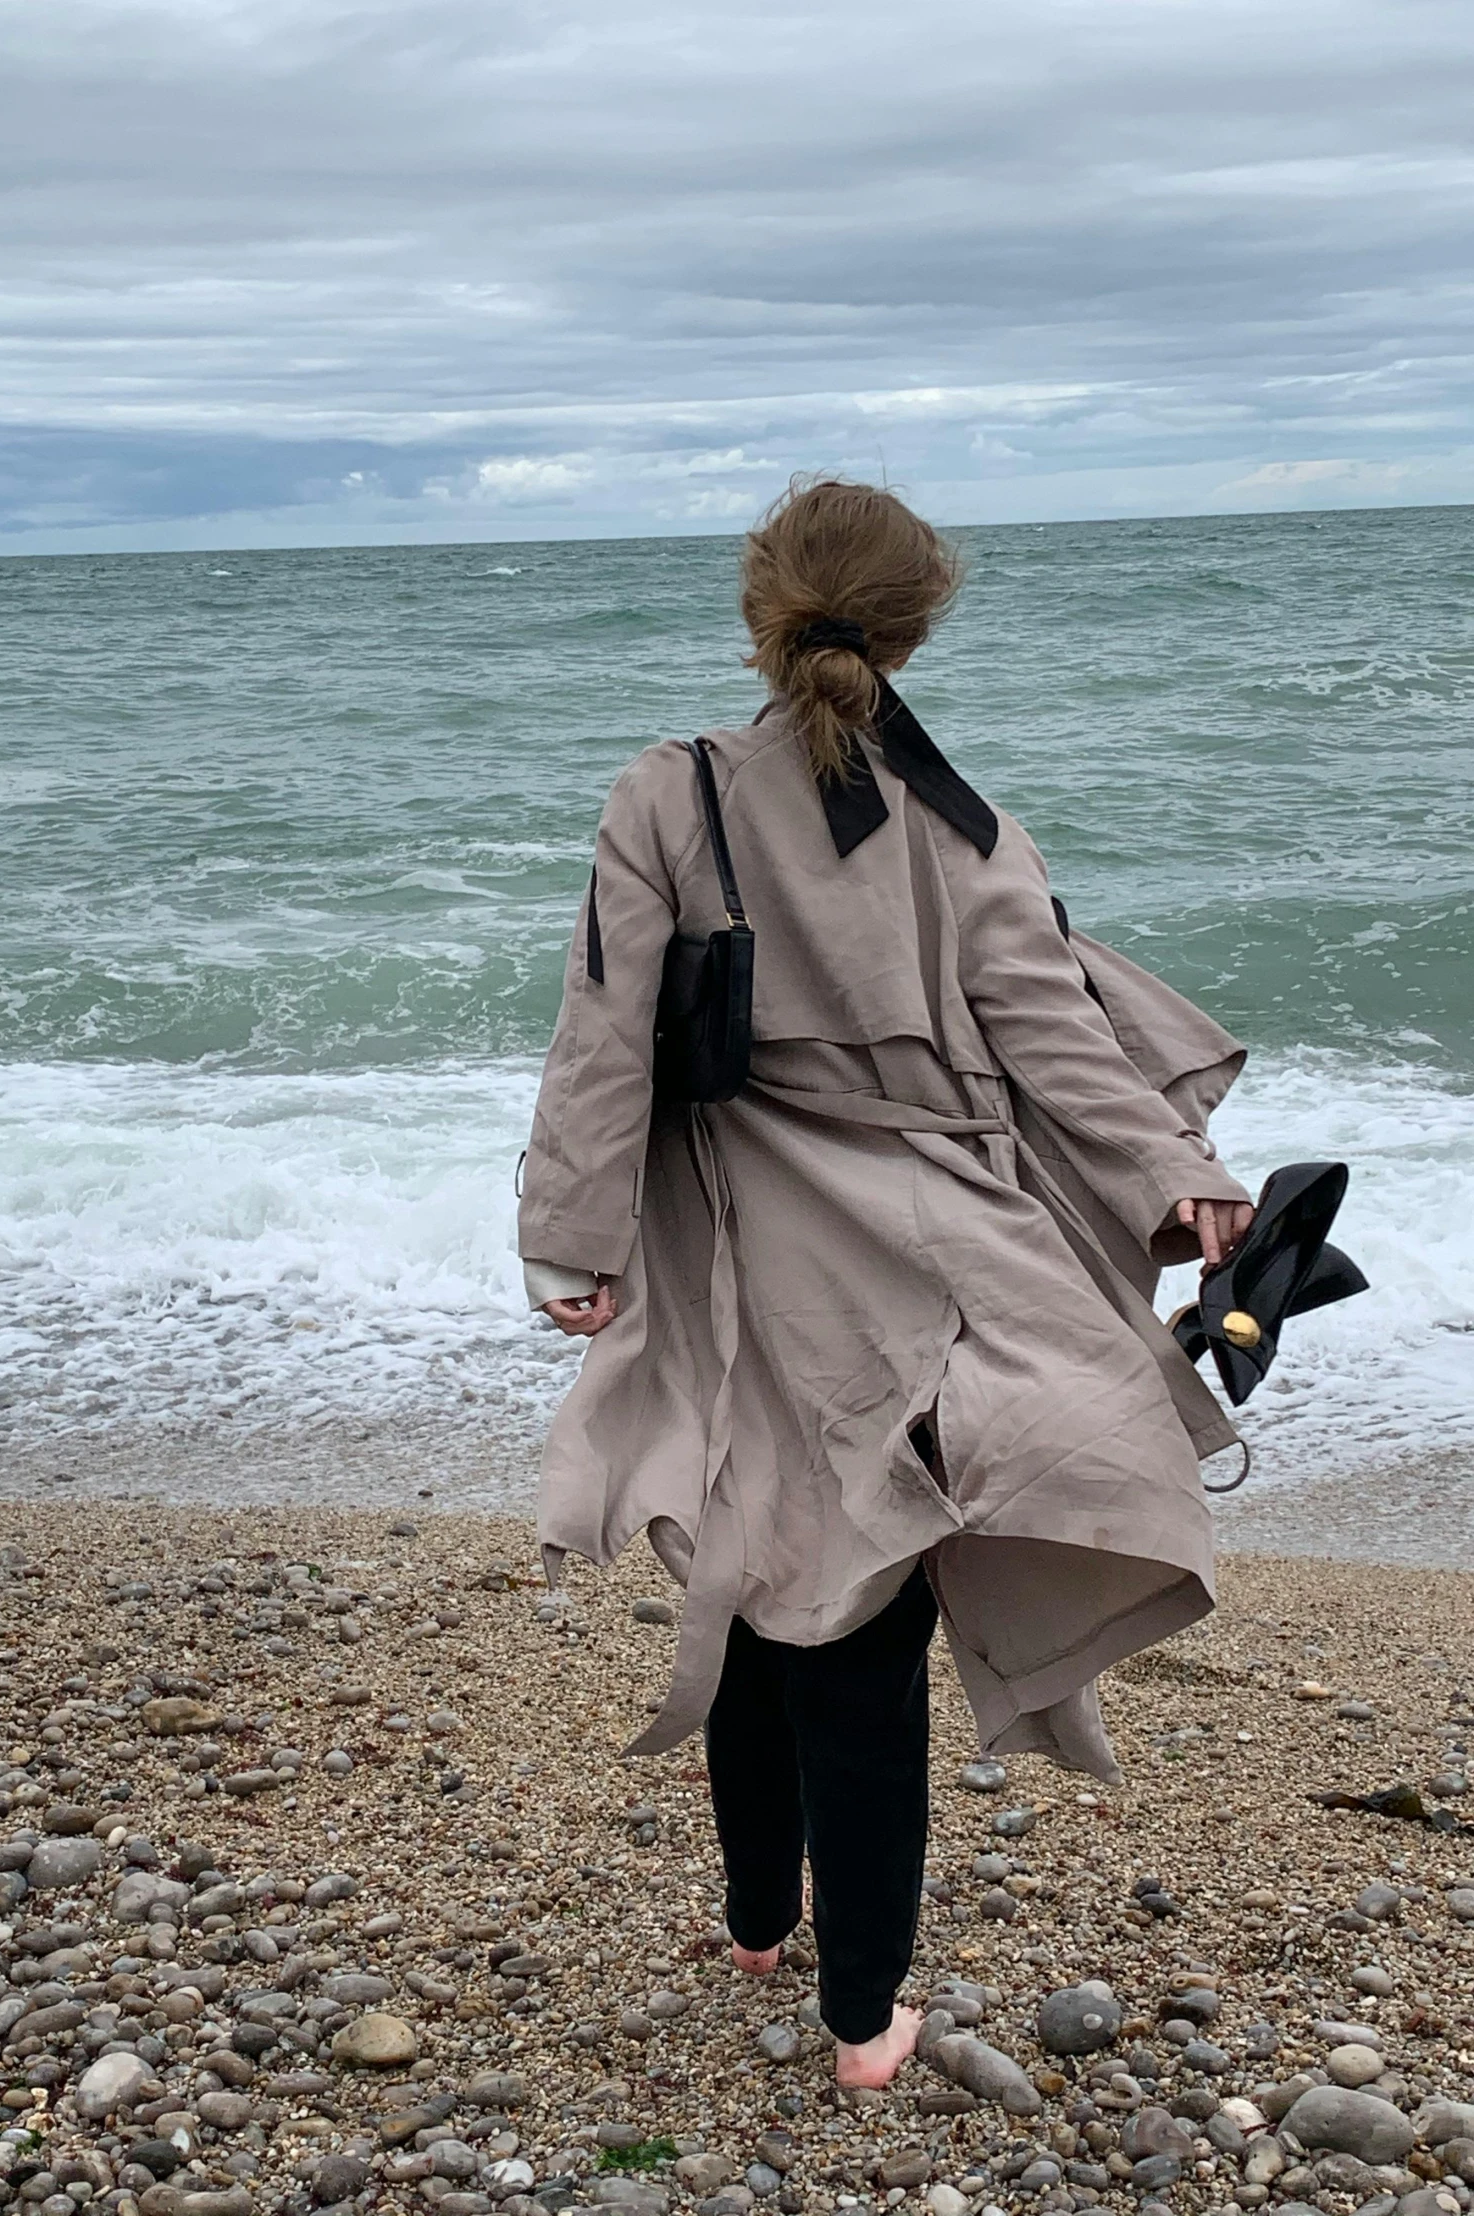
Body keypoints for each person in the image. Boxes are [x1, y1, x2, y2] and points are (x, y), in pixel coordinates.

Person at [516, 478, 1256, 2088]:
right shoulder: (964, 823)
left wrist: (567, 1243)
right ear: (921, 617)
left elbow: (598, 1033)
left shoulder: (672, 791)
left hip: (742, 1240)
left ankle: (757, 1925)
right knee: (861, 1606)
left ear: (757, 611)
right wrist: (1173, 1180)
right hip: (940, 1242)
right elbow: (1053, 1036)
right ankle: (860, 2020)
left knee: (763, 1560)